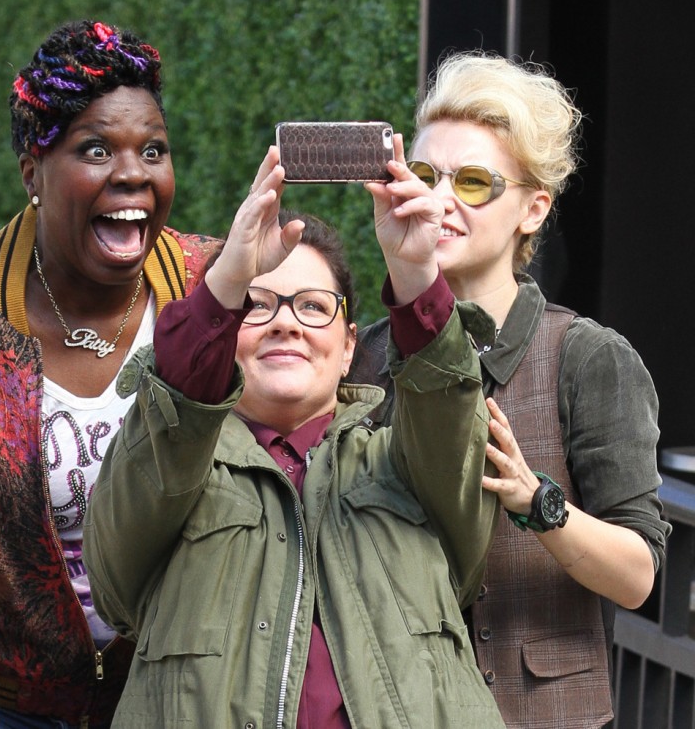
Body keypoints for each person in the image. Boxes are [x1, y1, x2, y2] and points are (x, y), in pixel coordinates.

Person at [83, 144, 507, 727]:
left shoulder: (405, 464)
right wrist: (228, 277)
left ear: (351, 346)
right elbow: (112, 576)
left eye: (313, 306)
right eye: (257, 307)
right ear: (227, 335)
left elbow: (446, 409)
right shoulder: (174, 465)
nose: (285, 322)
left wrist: (415, 273)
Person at [0, 20, 219, 729]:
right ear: (32, 172)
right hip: (3, 707)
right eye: (96, 149)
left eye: (152, 150)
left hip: (184, 701)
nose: (132, 173)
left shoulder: (213, 289)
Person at [348, 52, 671, 727]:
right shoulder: (372, 354)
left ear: (533, 208)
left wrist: (540, 504)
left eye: (472, 182)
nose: (440, 200)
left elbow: (640, 575)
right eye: (427, 175)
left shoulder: (588, 358)